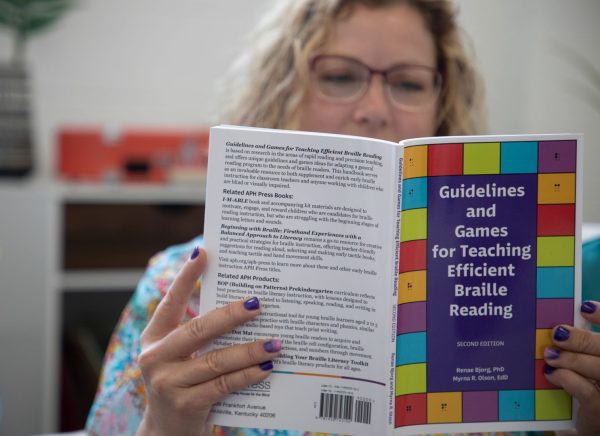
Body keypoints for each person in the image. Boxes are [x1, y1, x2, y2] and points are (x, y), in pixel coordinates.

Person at [85, 1, 599, 435]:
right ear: (281, 91)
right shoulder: (176, 285)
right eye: (339, 76)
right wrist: (165, 425)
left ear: (442, 105)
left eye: (408, 83)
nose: (374, 108)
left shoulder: (526, 280)